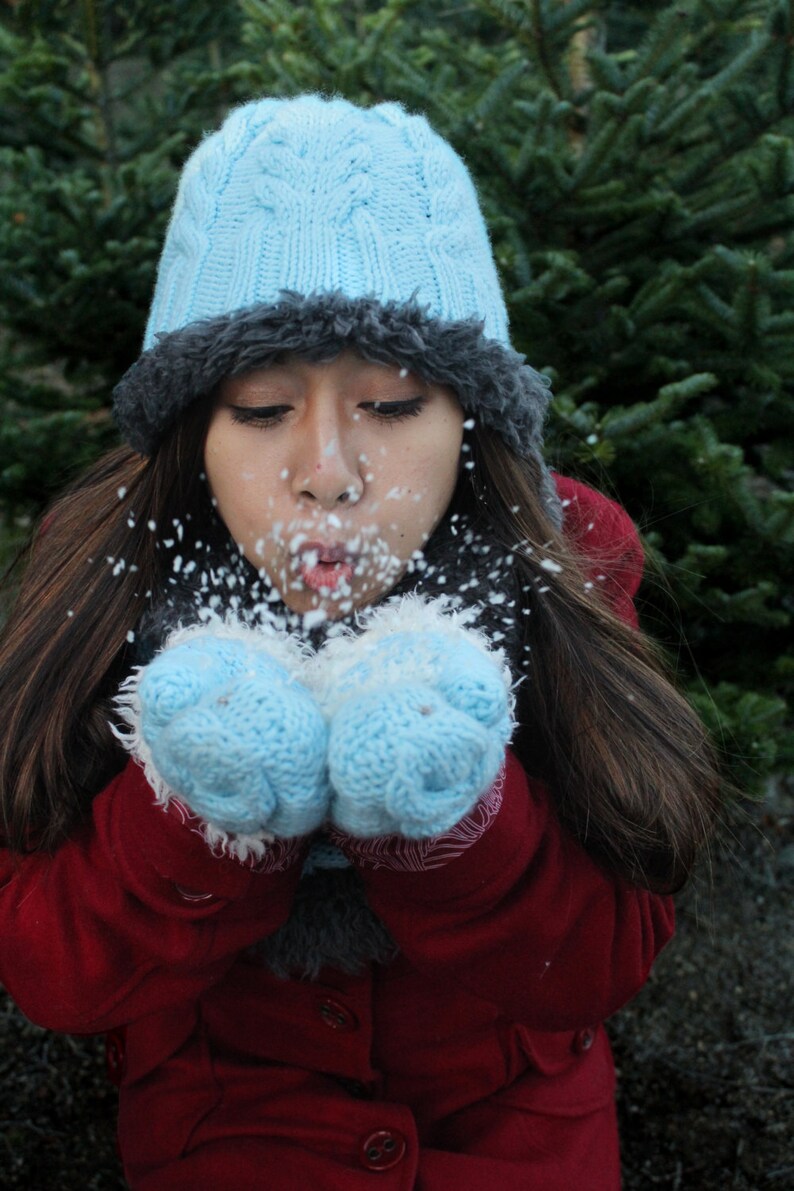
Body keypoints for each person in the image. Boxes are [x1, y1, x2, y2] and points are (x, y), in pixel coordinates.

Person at [0, 94, 719, 1189]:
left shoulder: (568, 554)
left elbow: (600, 956)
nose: (327, 469)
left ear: (469, 420)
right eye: (258, 408)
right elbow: (51, 970)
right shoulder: (105, 567)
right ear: (190, 429)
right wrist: (196, 805)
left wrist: (455, 813)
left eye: (388, 403)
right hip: (226, 1143)